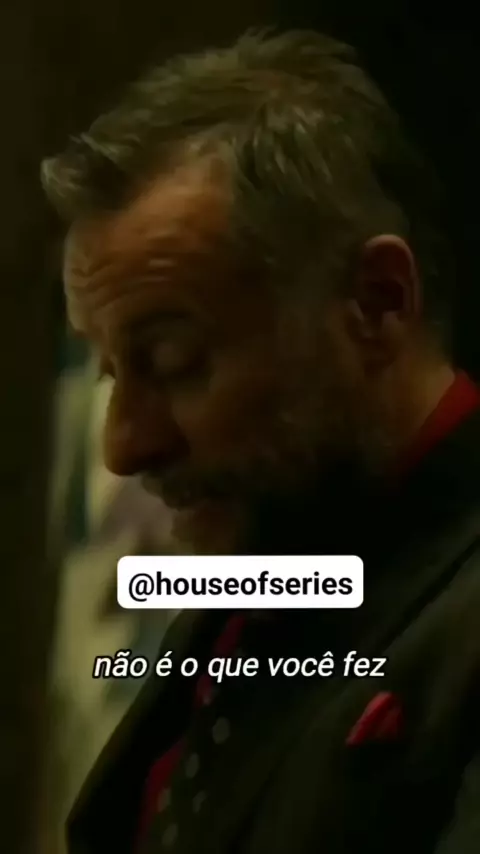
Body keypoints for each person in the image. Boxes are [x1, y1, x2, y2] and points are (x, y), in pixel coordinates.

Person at [41, 29, 480, 854]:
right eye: (111, 372)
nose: (122, 447)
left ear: (378, 304)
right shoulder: (278, 556)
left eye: (176, 362)